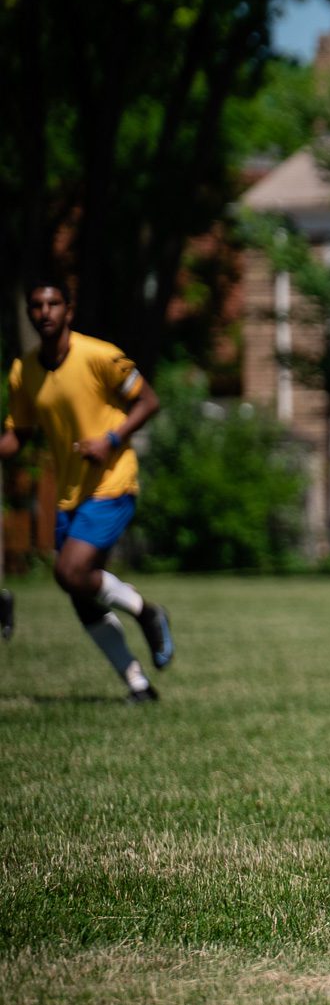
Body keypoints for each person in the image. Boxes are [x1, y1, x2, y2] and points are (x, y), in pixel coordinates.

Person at [0, 277, 174, 701]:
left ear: (68, 310)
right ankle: (138, 684)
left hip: (113, 481)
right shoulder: (25, 371)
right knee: (80, 594)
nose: (45, 313)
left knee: (69, 572)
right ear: (29, 312)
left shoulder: (99, 356)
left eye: (53, 304)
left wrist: (110, 440)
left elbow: (148, 401)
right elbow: (17, 435)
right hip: (70, 493)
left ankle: (146, 612)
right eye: (36, 306)